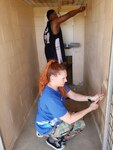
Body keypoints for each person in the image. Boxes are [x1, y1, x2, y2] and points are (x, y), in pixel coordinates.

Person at [34, 60, 104, 150]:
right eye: (63, 78)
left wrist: (91, 98)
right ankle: (52, 139)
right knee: (80, 124)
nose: (66, 80)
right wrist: (90, 109)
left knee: (79, 116)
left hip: (49, 118)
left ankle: (43, 130)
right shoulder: (50, 98)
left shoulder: (58, 85)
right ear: (52, 78)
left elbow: (74, 95)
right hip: (48, 126)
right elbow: (69, 120)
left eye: (66, 77)